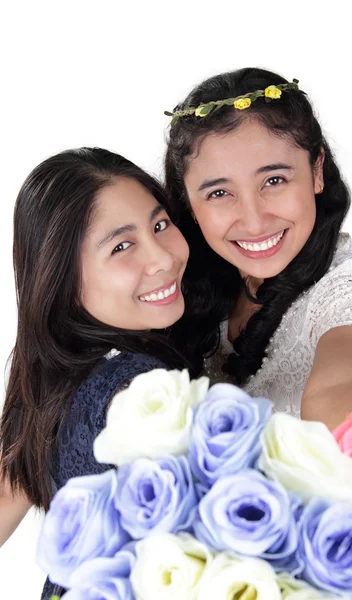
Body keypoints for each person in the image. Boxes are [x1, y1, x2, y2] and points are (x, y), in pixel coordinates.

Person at [165, 67, 352, 431]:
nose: (254, 221)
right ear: (189, 203)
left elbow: (342, 387)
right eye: (219, 193)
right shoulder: (181, 280)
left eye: (274, 180)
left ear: (317, 170)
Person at [0, 147, 189, 597]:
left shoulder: (50, 376)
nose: (162, 257)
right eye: (122, 246)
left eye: (160, 224)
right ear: (63, 279)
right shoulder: (140, 390)